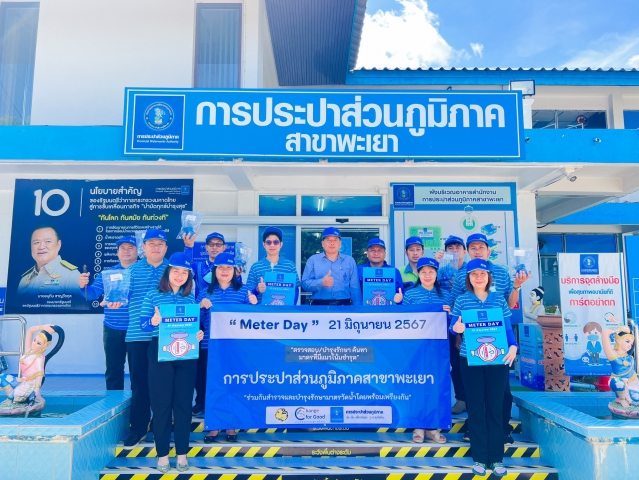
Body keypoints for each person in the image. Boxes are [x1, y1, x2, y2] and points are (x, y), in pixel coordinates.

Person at [449, 233, 530, 443]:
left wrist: (517, 286)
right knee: (475, 391)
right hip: (471, 342)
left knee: (501, 391)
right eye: (473, 248)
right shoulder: (462, 275)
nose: (477, 251)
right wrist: (457, 335)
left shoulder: (501, 273)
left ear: (489, 250)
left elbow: (509, 305)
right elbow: (456, 306)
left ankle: (501, 429)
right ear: (467, 251)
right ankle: (474, 430)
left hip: (498, 341)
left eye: (481, 247)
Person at [450, 258, 518, 477]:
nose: (478, 277)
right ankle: (479, 457)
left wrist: (514, 346)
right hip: (470, 360)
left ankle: (496, 459)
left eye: (482, 274)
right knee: (476, 407)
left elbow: (507, 329)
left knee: (495, 407)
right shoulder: (462, 300)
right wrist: (456, 328)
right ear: (468, 278)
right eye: (474, 274)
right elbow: (453, 327)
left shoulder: (499, 300)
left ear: (489, 277)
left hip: (497, 360)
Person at [139, 252, 203, 473]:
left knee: (183, 405)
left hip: (186, 355)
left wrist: (198, 334)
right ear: (168, 272)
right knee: (161, 405)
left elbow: (195, 326)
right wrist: (153, 320)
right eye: (176, 271)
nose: (180, 275)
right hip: (160, 353)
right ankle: (163, 455)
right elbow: (143, 325)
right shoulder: (152, 295)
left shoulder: (190, 298)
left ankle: (182, 454)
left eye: (184, 272)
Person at [110, 229, 170, 448]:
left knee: (164, 385)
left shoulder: (174, 270)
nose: (156, 247)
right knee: (140, 384)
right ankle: (138, 428)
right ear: (143, 247)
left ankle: (162, 426)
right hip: (137, 335)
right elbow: (120, 296)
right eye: (151, 243)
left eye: (160, 244)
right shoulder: (131, 271)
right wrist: (114, 300)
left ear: (166, 248)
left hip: (166, 336)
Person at [197, 252, 257, 442]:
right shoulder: (204, 293)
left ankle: (231, 425)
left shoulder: (244, 291)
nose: (224, 271)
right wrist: (199, 307)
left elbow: (252, 321)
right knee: (213, 386)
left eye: (229, 268)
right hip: (210, 347)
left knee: (233, 385)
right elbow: (198, 322)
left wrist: (254, 304)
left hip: (235, 348)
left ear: (234, 271)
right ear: (214, 271)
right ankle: (214, 426)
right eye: (221, 268)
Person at [78, 236, 138, 390]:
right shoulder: (107, 273)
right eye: (122, 248)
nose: (126, 251)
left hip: (137, 328)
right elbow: (91, 295)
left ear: (138, 251)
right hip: (112, 328)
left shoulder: (143, 272)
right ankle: (114, 404)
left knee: (138, 372)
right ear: (117, 252)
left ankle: (138, 404)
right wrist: (83, 286)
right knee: (113, 370)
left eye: (130, 248)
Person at [403, 257, 451, 443]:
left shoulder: (446, 295)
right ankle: (419, 426)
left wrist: (450, 314)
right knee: (418, 384)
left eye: (431, 272)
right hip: (417, 348)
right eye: (423, 272)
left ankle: (433, 426)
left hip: (439, 348)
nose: (427, 275)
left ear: (436, 274)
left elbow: (454, 323)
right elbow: (403, 321)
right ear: (418, 273)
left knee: (437, 384)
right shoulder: (410, 295)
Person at [437, 235, 467, 415]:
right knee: (450, 364)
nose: (454, 250)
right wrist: (437, 264)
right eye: (450, 248)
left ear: (464, 251)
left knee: (464, 363)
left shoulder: (471, 270)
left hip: (464, 324)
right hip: (441, 323)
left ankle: (470, 399)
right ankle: (461, 399)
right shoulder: (441, 269)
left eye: (458, 247)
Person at [18, 226, 82, 303]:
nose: (41, 247)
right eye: (36, 242)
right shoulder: (24, 280)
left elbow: (80, 309)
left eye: (48, 241)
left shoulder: (71, 276)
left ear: (58, 245)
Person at [301, 227, 361, 306]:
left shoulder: (349, 261)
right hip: (319, 307)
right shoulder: (313, 260)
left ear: (340, 244)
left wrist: (358, 308)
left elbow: (355, 288)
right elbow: (304, 284)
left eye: (335, 240)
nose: (332, 243)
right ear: (323, 243)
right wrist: (321, 282)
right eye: (328, 240)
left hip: (344, 306)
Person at [246, 227, 301, 304]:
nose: (272, 245)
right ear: (263, 244)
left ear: (281, 244)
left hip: (284, 310)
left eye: (276, 242)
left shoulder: (290, 266)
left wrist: (291, 306)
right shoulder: (256, 267)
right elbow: (248, 292)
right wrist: (257, 290)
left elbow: (295, 289)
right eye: (268, 242)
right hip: (261, 310)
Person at [357, 238, 403, 305]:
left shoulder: (394, 272)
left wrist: (399, 298)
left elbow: (401, 293)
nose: (376, 253)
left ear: (385, 254)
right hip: (364, 310)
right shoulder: (359, 270)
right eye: (373, 250)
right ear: (367, 253)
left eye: (379, 251)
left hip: (389, 310)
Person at [182, 232, 228, 296]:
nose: (214, 247)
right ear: (206, 247)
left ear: (224, 247)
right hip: (201, 302)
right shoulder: (197, 267)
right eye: (211, 244)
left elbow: (237, 288)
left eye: (218, 244)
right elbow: (183, 270)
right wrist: (188, 247)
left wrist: (238, 276)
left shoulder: (230, 268)